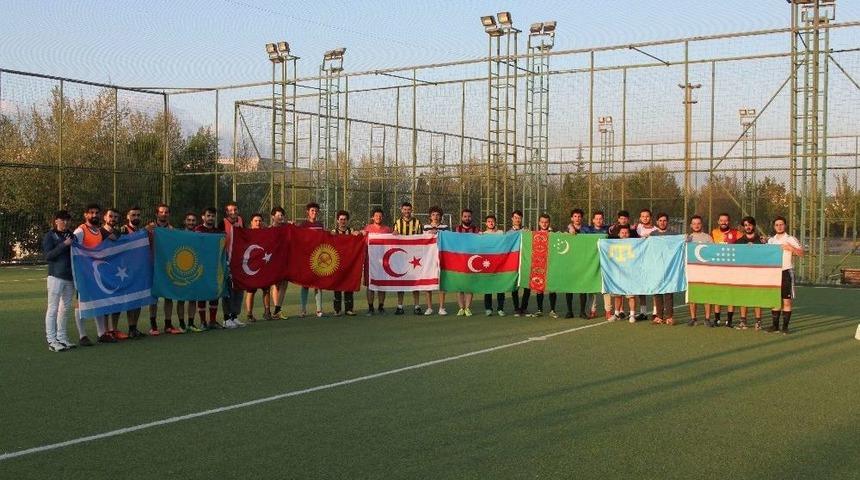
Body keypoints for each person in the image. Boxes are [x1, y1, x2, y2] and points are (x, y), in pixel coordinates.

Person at [72, 203, 111, 345]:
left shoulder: (99, 231)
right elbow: (74, 249)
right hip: (83, 273)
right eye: (91, 212)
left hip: (97, 272)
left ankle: (101, 333)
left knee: (98, 301)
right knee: (81, 303)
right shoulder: (80, 231)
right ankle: (82, 336)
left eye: (96, 212)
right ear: (85, 214)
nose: (94, 215)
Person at [146, 203, 183, 335]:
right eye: (161, 212)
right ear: (156, 214)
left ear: (169, 214)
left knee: (169, 296)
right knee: (153, 297)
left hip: (167, 266)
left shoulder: (172, 230)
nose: (164, 214)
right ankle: (153, 325)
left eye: (166, 212)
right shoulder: (149, 228)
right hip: (152, 266)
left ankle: (168, 324)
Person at [43, 210, 75, 352]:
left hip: (70, 277)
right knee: (53, 308)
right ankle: (51, 340)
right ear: (56, 221)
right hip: (55, 276)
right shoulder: (50, 236)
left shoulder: (71, 235)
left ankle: (62, 338)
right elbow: (48, 256)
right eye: (63, 220)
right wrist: (64, 245)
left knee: (65, 309)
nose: (66, 223)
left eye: (67, 220)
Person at [767, 216, 803, 334]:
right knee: (775, 300)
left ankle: (785, 327)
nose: (779, 227)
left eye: (781, 224)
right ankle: (775, 326)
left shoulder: (790, 239)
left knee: (786, 301)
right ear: (774, 227)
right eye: (777, 225)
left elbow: (801, 253)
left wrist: (790, 248)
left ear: (785, 225)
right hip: (773, 273)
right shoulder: (771, 240)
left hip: (786, 272)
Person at [100, 208, 130, 340]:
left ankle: (114, 329)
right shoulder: (99, 232)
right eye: (110, 216)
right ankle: (105, 330)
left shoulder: (119, 233)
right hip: (104, 271)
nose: (113, 219)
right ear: (105, 217)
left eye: (116, 217)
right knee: (106, 301)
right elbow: (111, 238)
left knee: (118, 300)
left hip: (118, 271)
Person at [732, 216, 766, 331]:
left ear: (754, 226)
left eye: (750, 225)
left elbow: (767, 255)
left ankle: (758, 322)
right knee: (743, 296)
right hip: (743, 274)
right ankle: (743, 321)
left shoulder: (761, 241)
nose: (748, 227)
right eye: (746, 225)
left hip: (757, 274)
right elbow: (735, 257)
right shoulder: (739, 242)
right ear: (743, 227)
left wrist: (759, 247)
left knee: (757, 297)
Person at [522, 214, 558, 318]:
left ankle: (552, 310)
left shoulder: (553, 235)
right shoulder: (534, 235)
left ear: (549, 223)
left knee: (552, 288)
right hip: (538, 264)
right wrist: (525, 233)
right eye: (542, 222)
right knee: (539, 288)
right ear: (539, 223)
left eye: (546, 222)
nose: (544, 224)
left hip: (551, 264)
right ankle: (539, 310)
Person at [174, 212, 204, 332]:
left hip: (194, 269)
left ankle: (191, 323)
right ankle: (182, 324)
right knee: (181, 298)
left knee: (192, 298)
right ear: (184, 222)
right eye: (189, 220)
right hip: (181, 269)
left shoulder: (199, 235)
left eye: (193, 220)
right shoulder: (178, 235)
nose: (191, 222)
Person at [711, 212, 742, 327]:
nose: (723, 222)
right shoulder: (713, 233)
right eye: (721, 220)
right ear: (718, 222)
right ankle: (717, 319)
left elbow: (745, 246)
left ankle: (729, 320)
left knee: (730, 293)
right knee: (717, 294)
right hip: (718, 269)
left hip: (732, 269)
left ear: (729, 221)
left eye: (726, 220)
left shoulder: (736, 233)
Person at [194, 207, 223, 329]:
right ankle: (202, 322)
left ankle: (212, 321)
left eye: (213, 216)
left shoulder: (218, 232)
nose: (211, 218)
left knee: (214, 293)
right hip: (201, 267)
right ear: (203, 217)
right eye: (208, 215)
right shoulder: (198, 230)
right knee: (202, 294)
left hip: (214, 267)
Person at [120, 206, 146, 338]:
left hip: (139, 270)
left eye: (138, 215)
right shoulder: (123, 230)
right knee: (130, 300)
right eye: (133, 215)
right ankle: (130, 328)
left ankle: (134, 327)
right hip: (127, 271)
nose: (136, 217)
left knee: (138, 300)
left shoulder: (142, 231)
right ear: (128, 216)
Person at [393, 202, 423, 315]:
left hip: (414, 257)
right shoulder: (397, 223)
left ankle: (417, 306)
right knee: (401, 282)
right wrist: (394, 233)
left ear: (411, 210)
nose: (407, 211)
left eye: (408, 209)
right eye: (405, 209)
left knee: (415, 282)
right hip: (401, 257)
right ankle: (400, 306)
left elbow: (422, 238)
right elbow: (393, 238)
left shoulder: (417, 222)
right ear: (401, 210)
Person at [241, 213, 272, 323]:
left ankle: (267, 312)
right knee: (251, 291)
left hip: (264, 266)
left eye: (260, 221)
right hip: (251, 267)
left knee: (266, 290)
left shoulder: (266, 233)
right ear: (251, 222)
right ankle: (249, 314)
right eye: (256, 221)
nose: (258, 223)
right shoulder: (246, 234)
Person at [581, 210, 611, 319]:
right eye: (596, 218)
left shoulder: (608, 229)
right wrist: (570, 227)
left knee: (606, 286)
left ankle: (608, 311)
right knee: (592, 287)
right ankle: (593, 310)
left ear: (603, 220)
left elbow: (620, 228)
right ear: (593, 220)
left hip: (605, 262)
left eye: (600, 218)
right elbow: (577, 231)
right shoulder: (587, 230)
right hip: (592, 262)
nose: (598, 220)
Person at [362, 207, 393, 315]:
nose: (378, 217)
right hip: (370, 261)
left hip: (384, 262)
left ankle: (381, 307)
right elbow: (362, 242)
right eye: (376, 216)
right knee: (370, 285)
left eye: (380, 216)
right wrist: (358, 233)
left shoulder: (387, 230)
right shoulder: (367, 228)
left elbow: (393, 242)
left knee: (382, 285)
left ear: (382, 217)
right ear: (372, 217)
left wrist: (396, 234)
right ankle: (370, 307)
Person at [222, 201, 248, 329]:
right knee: (228, 289)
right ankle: (226, 318)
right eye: (230, 210)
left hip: (239, 259)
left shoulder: (241, 220)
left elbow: (247, 236)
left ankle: (234, 316)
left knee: (239, 288)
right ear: (227, 212)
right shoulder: (222, 223)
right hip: (226, 259)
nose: (233, 212)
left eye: (235, 209)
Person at [686, 215, 713, 327]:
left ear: (701, 224)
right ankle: (693, 318)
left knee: (707, 294)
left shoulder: (708, 237)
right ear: (691, 225)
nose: (696, 225)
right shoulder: (688, 238)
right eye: (694, 223)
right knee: (693, 294)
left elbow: (712, 252)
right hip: (692, 271)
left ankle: (707, 318)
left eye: (698, 223)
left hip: (705, 271)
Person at [299, 202, 325, 317]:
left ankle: (319, 309)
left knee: (318, 284)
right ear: (308, 212)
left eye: (316, 211)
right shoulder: (303, 225)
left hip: (318, 259)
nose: (314, 212)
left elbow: (325, 238)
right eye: (312, 211)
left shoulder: (320, 225)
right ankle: (303, 310)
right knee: (304, 284)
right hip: (306, 258)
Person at [649, 213, 676, 326]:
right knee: (657, 292)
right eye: (660, 220)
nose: (662, 222)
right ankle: (659, 316)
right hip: (656, 267)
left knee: (668, 292)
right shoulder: (652, 235)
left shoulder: (674, 235)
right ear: (657, 222)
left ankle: (669, 317)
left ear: (667, 222)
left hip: (669, 268)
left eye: (664, 220)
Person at [422, 206, 449, 316]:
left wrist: (438, 232)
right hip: (429, 257)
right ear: (430, 216)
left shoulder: (445, 227)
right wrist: (430, 233)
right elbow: (422, 240)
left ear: (441, 216)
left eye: (438, 215)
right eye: (433, 214)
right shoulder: (425, 227)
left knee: (441, 282)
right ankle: (429, 307)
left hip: (442, 256)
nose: (435, 216)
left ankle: (442, 307)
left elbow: (448, 239)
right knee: (428, 282)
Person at [454, 208, 480, 316]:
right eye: (465, 216)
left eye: (469, 216)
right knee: (460, 285)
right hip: (459, 259)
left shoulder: (476, 229)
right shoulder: (457, 229)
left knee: (469, 285)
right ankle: (461, 308)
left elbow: (479, 242)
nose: (467, 218)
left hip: (471, 260)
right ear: (461, 217)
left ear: (471, 217)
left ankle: (467, 308)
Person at [331, 210, 358, 316]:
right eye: (341, 219)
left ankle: (349, 309)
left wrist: (360, 233)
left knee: (349, 286)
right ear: (337, 220)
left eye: (345, 219)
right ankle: (337, 310)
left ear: (347, 221)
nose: (343, 221)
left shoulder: (351, 231)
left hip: (349, 264)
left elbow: (360, 237)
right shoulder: (333, 232)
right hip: (336, 263)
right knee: (337, 287)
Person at [632, 208, 656, 321]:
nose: (645, 218)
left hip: (652, 262)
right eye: (643, 216)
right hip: (639, 262)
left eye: (647, 216)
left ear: (650, 217)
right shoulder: (637, 228)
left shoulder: (656, 230)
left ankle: (656, 312)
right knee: (641, 288)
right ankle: (643, 312)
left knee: (655, 287)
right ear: (640, 218)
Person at [611, 224, 638, 323]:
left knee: (631, 296)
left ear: (629, 234)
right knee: (617, 295)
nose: (624, 234)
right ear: (619, 234)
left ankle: (632, 315)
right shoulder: (614, 245)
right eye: (622, 233)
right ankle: (616, 314)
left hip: (630, 274)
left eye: (626, 233)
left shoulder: (634, 245)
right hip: (618, 274)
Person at [482, 214, 506, 316]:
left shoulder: (501, 233)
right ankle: (488, 308)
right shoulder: (482, 235)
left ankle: (500, 308)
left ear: (495, 222)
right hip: (487, 263)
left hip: (499, 263)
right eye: (489, 221)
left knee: (500, 286)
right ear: (486, 223)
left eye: (492, 221)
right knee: (488, 286)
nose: (491, 223)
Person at [269, 206, 289, 320]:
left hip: (285, 259)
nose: (281, 217)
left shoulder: (287, 228)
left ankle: (277, 309)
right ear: (273, 217)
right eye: (278, 215)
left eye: (282, 215)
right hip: (273, 260)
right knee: (276, 285)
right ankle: (275, 310)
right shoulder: (269, 229)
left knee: (284, 284)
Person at [509, 210, 526, 316]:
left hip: (525, 261)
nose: (517, 220)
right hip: (514, 261)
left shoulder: (526, 232)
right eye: (515, 217)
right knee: (514, 285)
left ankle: (524, 307)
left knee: (527, 285)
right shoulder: (508, 233)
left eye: (519, 218)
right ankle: (516, 308)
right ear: (512, 219)